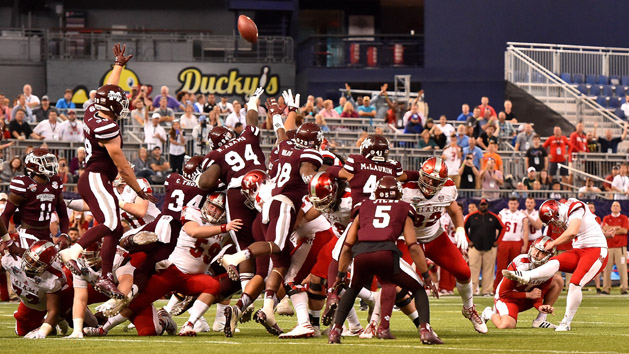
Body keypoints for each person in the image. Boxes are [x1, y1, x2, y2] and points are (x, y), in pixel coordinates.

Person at [59, 43, 157, 301]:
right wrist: (139, 192)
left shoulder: (93, 110)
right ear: (113, 107)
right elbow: (124, 168)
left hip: (95, 178)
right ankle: (73, 251)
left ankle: (105, 276)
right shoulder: (108, 129)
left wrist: (118, 67)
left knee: (113, 230)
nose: (123, 106)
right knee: (111, 223)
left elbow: (106, 92)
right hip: (96, 177)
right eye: (121, 102)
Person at [328, 176, 442, 345]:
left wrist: (340, 275)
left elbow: (347, 245)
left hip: (362, 255)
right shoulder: (404, 207)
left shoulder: (364, 206)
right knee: (418, 289)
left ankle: (335, 332)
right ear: (398, 193)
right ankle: (425, 331)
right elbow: (412, 245)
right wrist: (426, 275)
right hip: (386, 254)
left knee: (352, 289)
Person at [400, 157, 488, 334]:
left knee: (464, 272)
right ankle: (378, 321)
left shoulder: (447, 188)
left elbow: (455, 210)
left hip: (434, 236)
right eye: (427, 178)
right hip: (406, 239)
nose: (430, 184)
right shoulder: (407, 189)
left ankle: (469, 309)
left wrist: (461, 229)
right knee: (394, 282)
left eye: (435, 181)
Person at [503, 198, 609, 331]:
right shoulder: (567, 210)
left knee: (575, 283)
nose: (555, 224)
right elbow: (590, 224)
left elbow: (572, 232)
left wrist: (552, 244)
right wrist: (604, 234)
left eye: (553, 220)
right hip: (579, 250)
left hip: (595, 250)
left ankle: (566, 322)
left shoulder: (574, 207)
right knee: (554, 262)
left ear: (555, 212)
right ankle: (526, 276)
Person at [481, 236, 563, 329]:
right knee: (506, 325)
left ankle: (540, 320)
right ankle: (488, 313)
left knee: (557, 280)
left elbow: (538, 293)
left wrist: (540, 306)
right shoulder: (521, 262)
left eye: (542, 252)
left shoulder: (548, 268)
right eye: (535, 249)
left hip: (525, 298)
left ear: (549, 256)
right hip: (507, 299)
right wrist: (528, 295)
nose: (536, 253)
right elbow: (503, 294)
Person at [1, 240, 73, 338]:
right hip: (30, 300)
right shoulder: (13, 260)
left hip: (54, 297)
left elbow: (53, 310)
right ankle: (48, 323)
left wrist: (43, 331)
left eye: (35, 263)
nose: (28, 262)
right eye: (29, 258)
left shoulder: (52, 278)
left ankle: (61, 317)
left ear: (45, 266)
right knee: (21, 332)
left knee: (84, 322)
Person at [1, 149, 69, 248]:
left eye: (50, 161)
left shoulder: (55, 182)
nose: (50, 164)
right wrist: (5, 240)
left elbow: (63, 214)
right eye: (45, 161)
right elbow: (6, 215)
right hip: (27, 234)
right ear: (33, 165)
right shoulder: (24, 184)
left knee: (55, 263)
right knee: (34, 262)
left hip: (47, 233)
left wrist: (64, 234)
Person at [465, 198, 504, 296]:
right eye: (482, 205)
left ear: (487, 205)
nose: (483, 206)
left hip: (490, 247)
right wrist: (468, 241)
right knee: (473, 269)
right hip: (474, 247)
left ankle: (487, 290)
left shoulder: (494, 217)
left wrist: (497, 242)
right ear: (479, 206)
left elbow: (502, 228)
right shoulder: (471, 216)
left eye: (485, 204)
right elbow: (463, 227)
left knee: (489, 271)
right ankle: (472, 291)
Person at [495, 197, 529, 291]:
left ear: (518, 204)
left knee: (515, 267)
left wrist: (525, 245)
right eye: (511, 203)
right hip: (504, 241)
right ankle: (497, 287)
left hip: (516, 241)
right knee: (501, 266)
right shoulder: (502, 213)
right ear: (508, 204)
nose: (513, 205)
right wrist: (496, 241)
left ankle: (513, 288)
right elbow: (497, 228)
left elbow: (526, 231)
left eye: (515, 204)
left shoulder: (522, 215)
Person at [600, 201, 628, 295]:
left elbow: (624, 231)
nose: (615, 207)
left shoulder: (624, 218)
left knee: (622, 268)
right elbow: (604, 229)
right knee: (607, 269)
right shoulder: (606, 218)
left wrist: (611, 228)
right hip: (609, 247)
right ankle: (606, 288)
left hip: (620, 247)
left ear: (620, 208)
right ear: (611, 208)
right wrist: (617, 227)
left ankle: (624, 288)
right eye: (614, 206)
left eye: (617, 206)